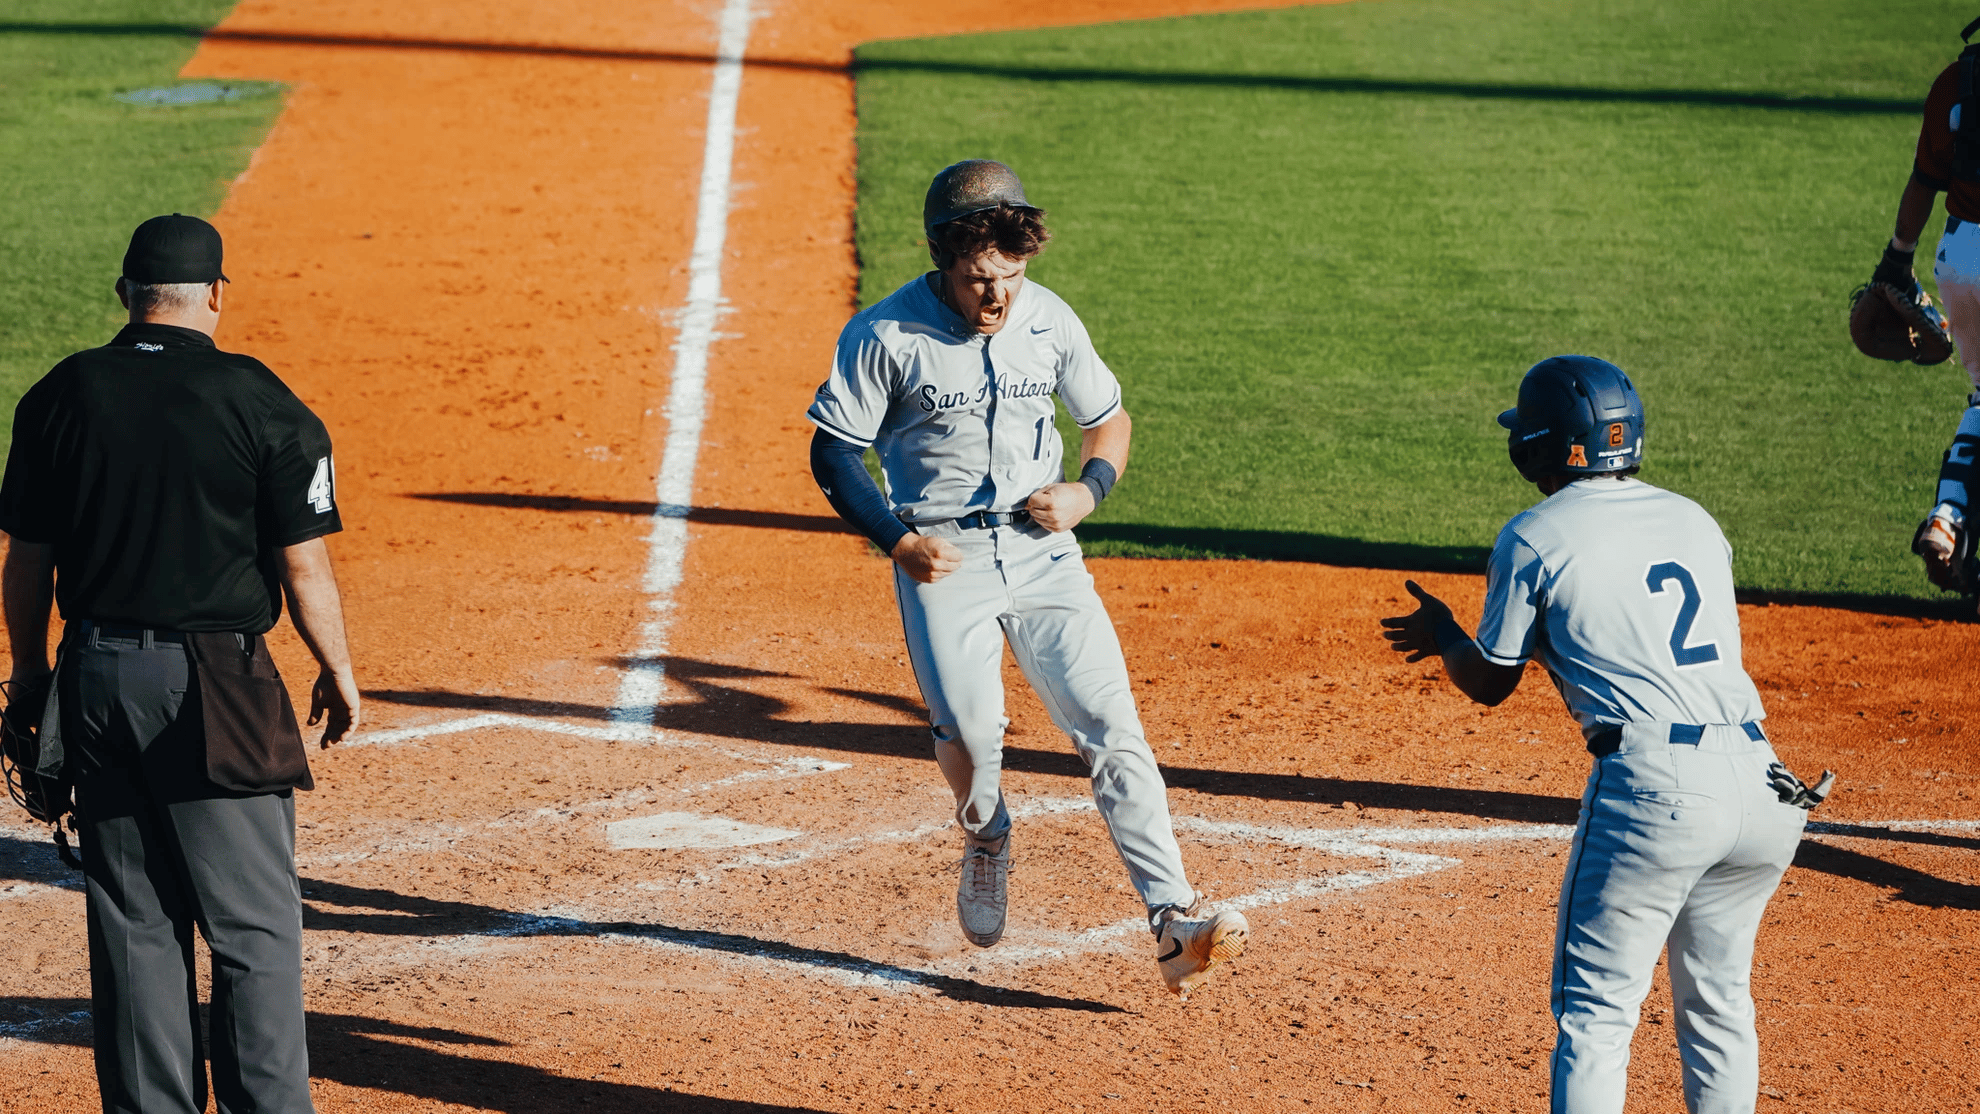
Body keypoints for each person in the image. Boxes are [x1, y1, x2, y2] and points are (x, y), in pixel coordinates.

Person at [806, 160, 1246, 999]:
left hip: (1046, 557)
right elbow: (834, 452)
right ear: (943, 259)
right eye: (979, 278)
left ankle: (1174, 920)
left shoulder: (1048, 318)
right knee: (972, 739)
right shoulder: (885, 334)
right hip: (944, 560)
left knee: (1112, 728)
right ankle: (987, 834)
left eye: (1010, 275)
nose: (998, 296)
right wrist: (898, 541)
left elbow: (1107, 420)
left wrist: (1088, 490)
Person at [1380, 356, 1828, 1114]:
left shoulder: (1534, 537)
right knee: (1719, 1003)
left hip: (1657, 791)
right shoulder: (1695, 518)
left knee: (1595, 1019)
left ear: (1542, 445)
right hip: (1765, 784)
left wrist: (1445, 634)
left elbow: (1491, 680)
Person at [0, 213, 358, 1114]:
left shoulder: (60, 394)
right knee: (253, 929)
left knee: (134, 927)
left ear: (126, 294)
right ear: (216, 295)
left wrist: (32, 678)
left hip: (92, 678)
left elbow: (27, 559)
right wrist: (336, 667)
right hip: (215, 690)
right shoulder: (260, 400)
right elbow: (303, 565)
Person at [1875, 17, 1980, 594]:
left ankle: (1948, 518)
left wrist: (1896, 259)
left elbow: (1923, 180)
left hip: (1961, 258)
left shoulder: (1955, 81)